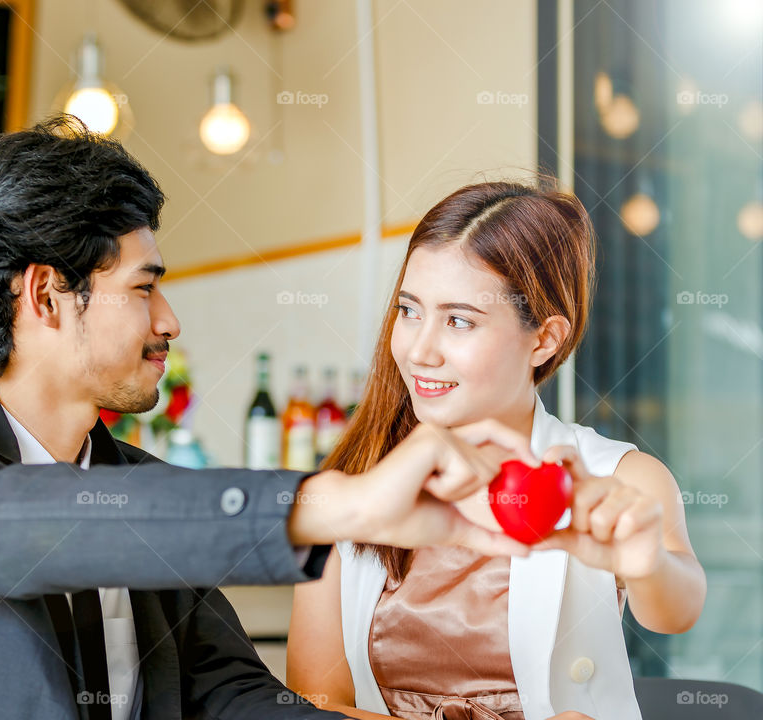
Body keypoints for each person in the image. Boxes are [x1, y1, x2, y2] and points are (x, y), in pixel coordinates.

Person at [0, 118, 539, 720]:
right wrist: (335, 503)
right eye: (144, 287)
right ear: (44, 296)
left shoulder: (146, 487)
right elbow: (9, 524)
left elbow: (235, 700)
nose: (170, 320)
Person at [287, 181, 706, 720]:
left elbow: (677, 610)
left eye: (459, 320)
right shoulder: (355, 485)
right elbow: (315, 702)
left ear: (545, 339)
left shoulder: (615, 475)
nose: (418, 350)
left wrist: (646, 564)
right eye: (409, 311)